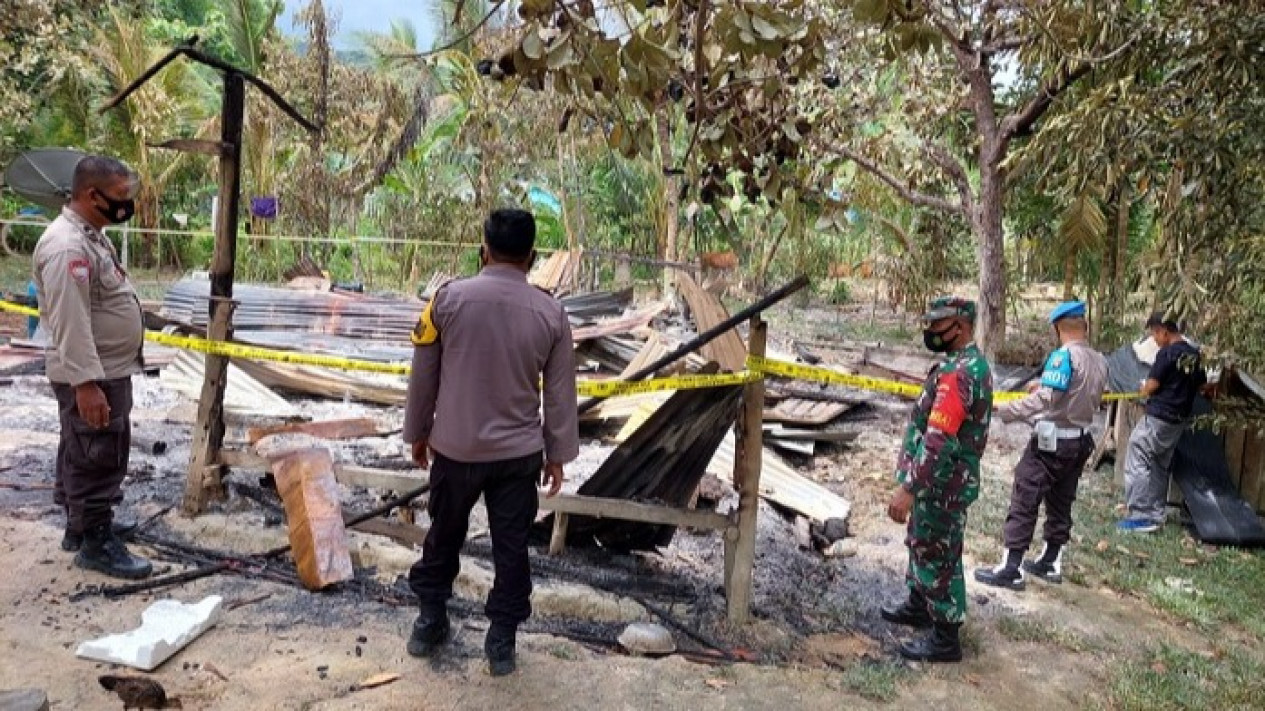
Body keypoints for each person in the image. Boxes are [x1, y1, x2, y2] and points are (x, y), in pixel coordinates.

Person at [402, 208, 579, 676]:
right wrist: (558, 456)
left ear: (483, 250)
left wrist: (418, 434)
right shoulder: (552, 314)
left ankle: (429, 620)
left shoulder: (446, 300)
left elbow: (424, 376)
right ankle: (501, 641)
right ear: (533, 257)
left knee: (443, 535)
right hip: (518, 458)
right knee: (511, 549)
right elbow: (561, 396)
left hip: (455, 451)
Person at [32, 155, 150, 579]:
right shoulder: (67, 246)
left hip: (106, 365)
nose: (126, 205)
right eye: (119, 198)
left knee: (81, 445)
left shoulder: (91, 235)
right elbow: (70, 319)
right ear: (89, 195)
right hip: (92, 372)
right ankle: (96, 543)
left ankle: (80, 528)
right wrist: (85, 383)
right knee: (98, 452)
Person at [881, 296, 993, 663]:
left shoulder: (960, 373)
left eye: (936, 325)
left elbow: (939, 439)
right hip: (940, 482)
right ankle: (919, 604)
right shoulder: (963, 365)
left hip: (941, 484)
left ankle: (945, 637)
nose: (929, 332)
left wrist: (909, 488)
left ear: (958, 327)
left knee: (937, 553)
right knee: (922, 542)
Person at [975, 301, 1107, 590]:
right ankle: (1050, 560)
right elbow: (1086, 393)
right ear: (1084, 326)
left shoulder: (1062, 357)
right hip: (1080, 441)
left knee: (1025, 496)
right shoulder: (1099, 359)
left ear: (1059, 328)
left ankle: (1012, 568)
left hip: (1051, 443)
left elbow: (1046, 399)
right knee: (1061, 500)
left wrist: (1005, 410)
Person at [1118, 312, 1206, 533]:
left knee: (1137, 453)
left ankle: (1140, 515)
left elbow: (1151, 387)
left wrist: (1143, 386)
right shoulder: (1194, 355)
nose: (1155, 340)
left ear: (1164, 332)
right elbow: (1203, 386)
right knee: (1160, 463)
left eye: (1155, 335)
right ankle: (1156, 514)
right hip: (1178, 420)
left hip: (1159, 417)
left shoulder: (1167, 354)